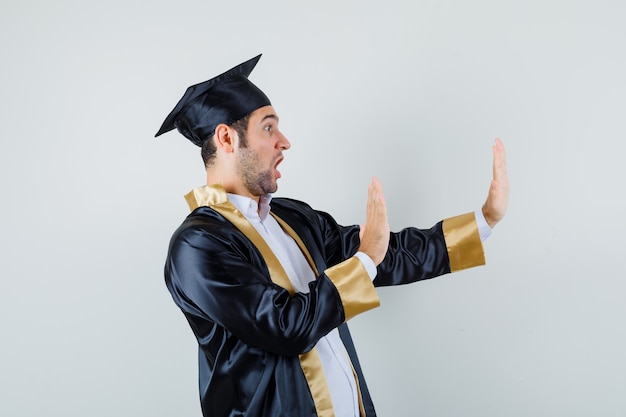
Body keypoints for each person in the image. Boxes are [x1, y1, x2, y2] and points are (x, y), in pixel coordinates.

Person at [155, 54, 509, 417]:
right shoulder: (198, 245)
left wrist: (483, 221)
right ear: (227, 138)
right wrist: (364, 260)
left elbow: (386, 252)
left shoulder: (292, 217)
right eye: (268, 128)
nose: (284, 141)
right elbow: (285, 327)